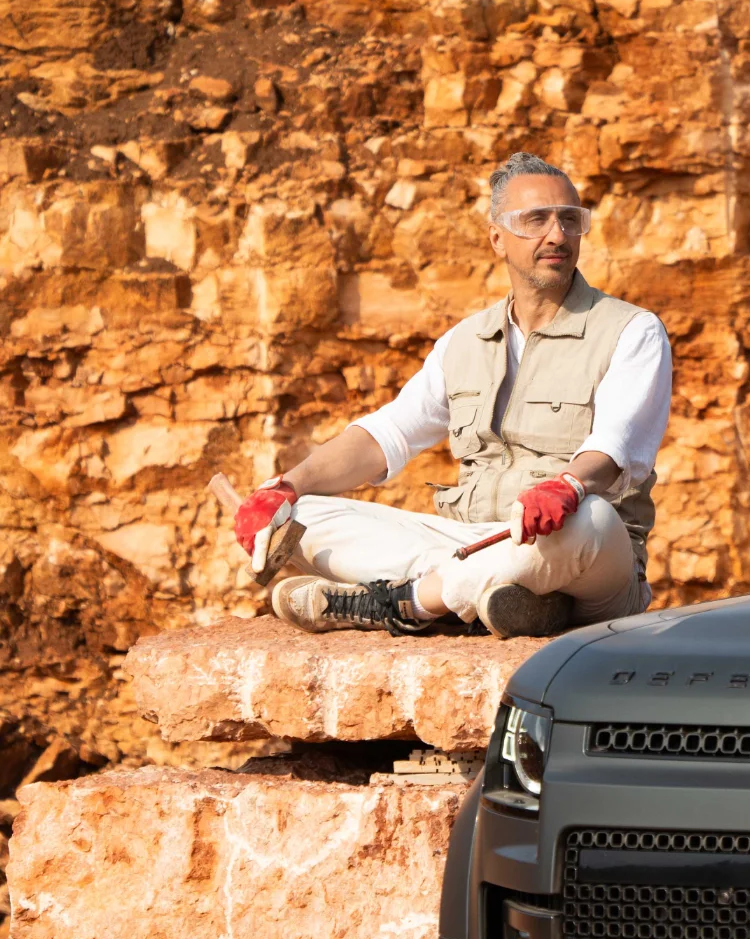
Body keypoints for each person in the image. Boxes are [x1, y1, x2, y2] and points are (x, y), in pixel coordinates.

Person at [230, 152, 673, 639]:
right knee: (305, 515)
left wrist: (567, 486)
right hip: (472, 542)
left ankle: (408, 602)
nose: (557, 235)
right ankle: (504, 601)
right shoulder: (464, 342)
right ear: (497, 238)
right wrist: (284, 488)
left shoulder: (633, 331)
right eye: (536, 220)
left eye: (570, 220)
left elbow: (615, 445)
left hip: (582, 556)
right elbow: (387, 434)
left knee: (591, 517)